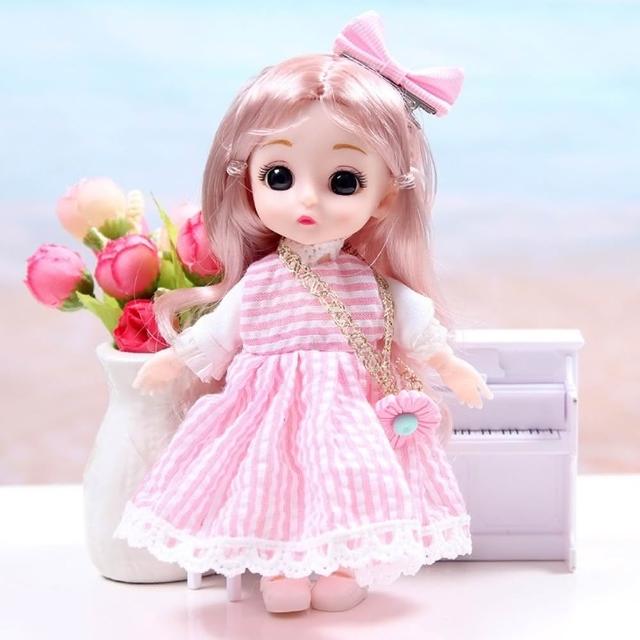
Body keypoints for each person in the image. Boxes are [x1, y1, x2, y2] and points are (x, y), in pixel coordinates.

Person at [114, 11, 493, 613]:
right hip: (265, 410)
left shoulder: (369, 284)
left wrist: (450, 366)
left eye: (344, 180)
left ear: (385, 196)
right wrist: (174, 360)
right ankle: (280, 569)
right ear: (248, 182)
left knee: (348, 482)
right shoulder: (262, 281)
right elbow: (221, 331)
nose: (306, 199)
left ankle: (342, 566)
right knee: (272, 483)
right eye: (279, 176)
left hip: (347, 410)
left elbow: (415, 324)